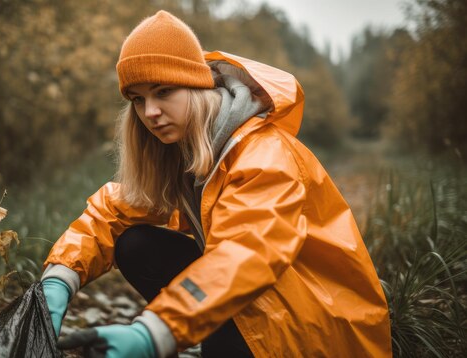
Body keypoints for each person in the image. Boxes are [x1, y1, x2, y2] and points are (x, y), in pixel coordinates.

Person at [41, 10, 391, 358]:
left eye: (163, 91)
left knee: (222, 293)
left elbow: (246, 254)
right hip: (263, 294)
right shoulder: (187, 150)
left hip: (319, 325)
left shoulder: (263, 154)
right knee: (134, 244)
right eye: (138, 99)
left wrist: (154, 332)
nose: (150, 112)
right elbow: (114, 210)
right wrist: (59, 280)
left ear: (197, 86)